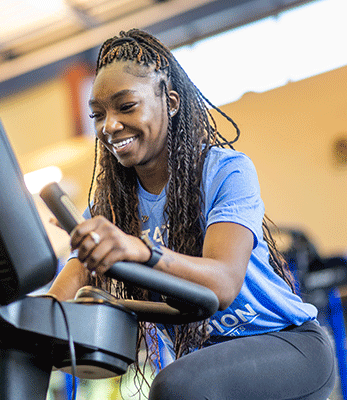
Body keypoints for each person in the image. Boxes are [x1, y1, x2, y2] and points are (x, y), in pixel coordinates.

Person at [47, 29, 336, 399]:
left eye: (126, 106)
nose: (109, 125)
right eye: (98, 114)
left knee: (176, 387)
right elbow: (59, 299)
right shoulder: (109, 208)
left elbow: (223, 283)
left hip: (289, 347)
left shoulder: (225, 171)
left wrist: (140, 250)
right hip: (208, 368)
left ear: (170, 102)